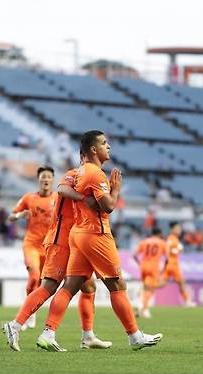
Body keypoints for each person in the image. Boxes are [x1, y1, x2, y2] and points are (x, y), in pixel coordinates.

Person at [35, 130, 162, 351]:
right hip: (96, 233)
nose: (108, 146)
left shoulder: (79, 172)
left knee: (71, 285)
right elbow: (108, 206)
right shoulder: (95, 173)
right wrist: (116, 190)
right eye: (104, 143)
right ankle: (134, 336)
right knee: (117, 284)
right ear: (93, 149)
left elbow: (64, 189)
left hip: (79, 233)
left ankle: (48, 332)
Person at [2, 155, 111, 351]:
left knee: (88, 287)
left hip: (73, 241)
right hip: (59, 241)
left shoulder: (87, 179)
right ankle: (17, 325)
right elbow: (68, 191)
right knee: (48, 285)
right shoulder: (74, 176)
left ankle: (88, 335)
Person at [8, 166, 55, 329]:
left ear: (53, 180)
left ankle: (31, 311)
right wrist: (20, 215)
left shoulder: (58, 199)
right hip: (31, 245)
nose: (46, 179)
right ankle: (29, 314)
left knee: (42, 285)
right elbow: (10, 217)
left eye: (49, 176)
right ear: (38, 179)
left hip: (49, 247)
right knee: (34, 277)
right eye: (43, 176)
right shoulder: (28, 198)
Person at [133, 227, 167, 319]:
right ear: (160, 234)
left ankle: (140, 303)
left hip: (144, 265)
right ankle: (144, 307)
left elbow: (134, 255)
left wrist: (140, 264)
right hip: (154, 266)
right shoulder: (162, 243)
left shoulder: (144, 241)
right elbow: (167, 258)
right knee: (151, 289)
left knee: (144, 286)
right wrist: (164, 269)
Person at [162, 222, 194, 306]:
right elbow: (168, 248)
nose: (179, 230)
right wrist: (177, 250)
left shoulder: (174, 238)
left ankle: (145, 291)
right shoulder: (171, 238)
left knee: (161, 283)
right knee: (182, 282)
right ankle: (187, 301)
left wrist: (177, 249)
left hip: (169, 264)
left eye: (179, 229)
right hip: (173, 264)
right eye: (177, 228)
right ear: (172, 229)